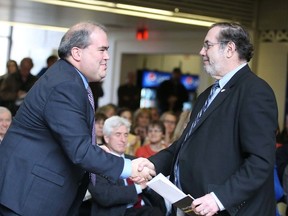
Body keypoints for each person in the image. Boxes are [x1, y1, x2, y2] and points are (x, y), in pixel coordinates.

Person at [0, 21, 155, 216]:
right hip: (28, 197)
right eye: (102, 50)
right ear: (77, 53)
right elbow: (80, 151)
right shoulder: (66, 85)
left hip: (30, 194)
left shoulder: (69, 79)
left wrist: (97, 151)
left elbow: (69, 139)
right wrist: (128, 167)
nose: (107, 56)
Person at [144, 22, 278, 216]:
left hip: (227, 209)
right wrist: (152, 164)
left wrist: (219, 198)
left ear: (230, 49)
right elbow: (183, 145)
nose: (201, 51)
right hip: (192, 207)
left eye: (208, 45)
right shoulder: (207, 95)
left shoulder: (255, 91)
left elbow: (260, 161)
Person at [88, 116, 166, 216]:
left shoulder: (134, 160)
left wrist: (148, 185)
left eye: (125, 135)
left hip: (145, 209)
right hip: (118, 212)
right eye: (118, 134)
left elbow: (153, 192)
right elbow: (104, 196)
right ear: (106, 138)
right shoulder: (99, 163)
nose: (123, 139)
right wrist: (138, 187)